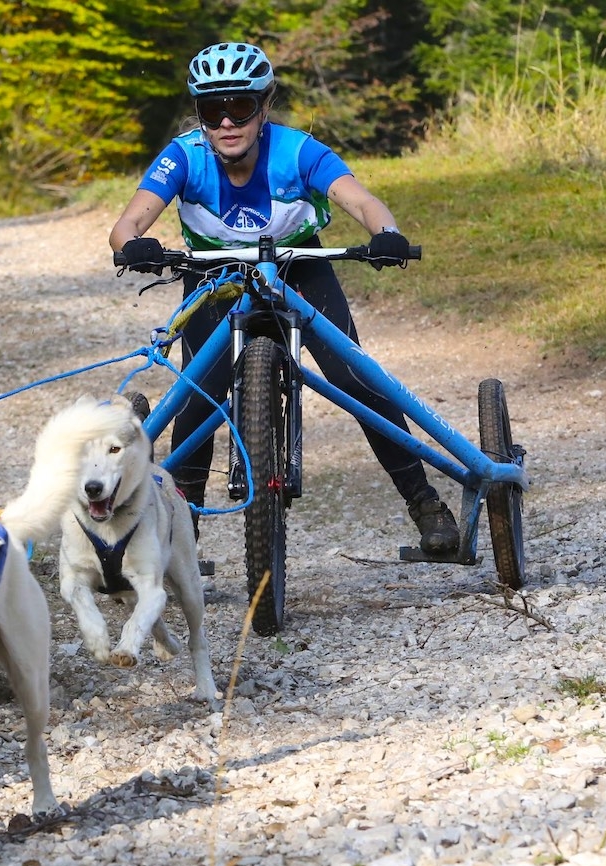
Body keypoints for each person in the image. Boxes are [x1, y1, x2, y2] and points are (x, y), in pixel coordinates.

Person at [108, 41, 460, 557]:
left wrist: (387, 233)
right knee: (197, 401)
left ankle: (426, 504)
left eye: (241, 108)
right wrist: (133, 245)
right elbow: (128, 224)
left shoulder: (298, 151)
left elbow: (359, 200)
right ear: (200, 116)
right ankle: (179, 541)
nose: (227, 122)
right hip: (215, 275)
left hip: (300, 268)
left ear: (264, 107)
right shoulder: (183, 156)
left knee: (354, 380)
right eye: (212, 110)